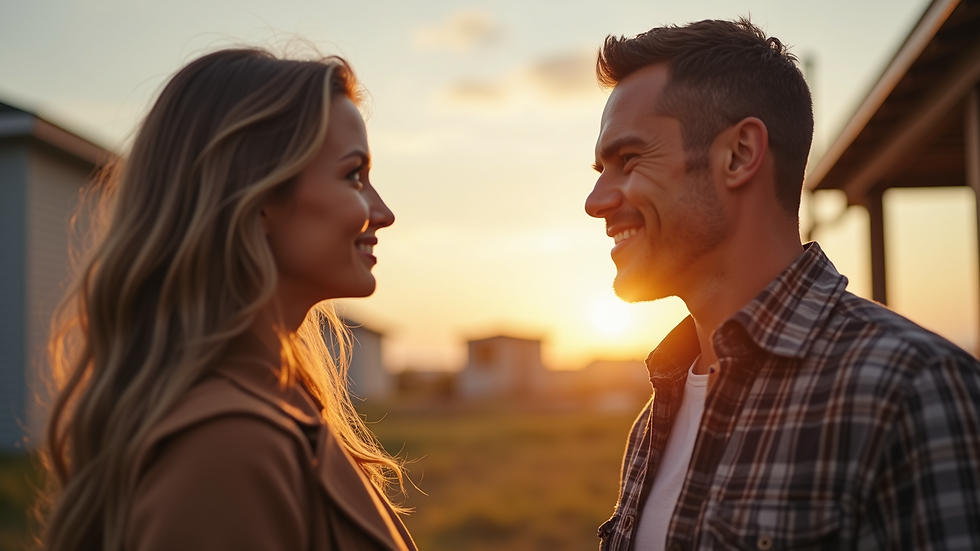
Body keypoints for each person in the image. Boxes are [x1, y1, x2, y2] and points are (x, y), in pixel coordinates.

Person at [585, 18, 980, 551]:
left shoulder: (912, 390)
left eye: (628, 160)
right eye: (600, 170)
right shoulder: (656, 420)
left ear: (740, 154)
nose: (596, 202)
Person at [41, 48, 415, 551]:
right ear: (256, 199)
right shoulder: (229, 445)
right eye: (353, 175)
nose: (383, 212)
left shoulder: (281, 405)